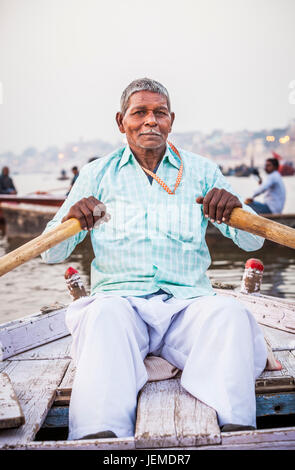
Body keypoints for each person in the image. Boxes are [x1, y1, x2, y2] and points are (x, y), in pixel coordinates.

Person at [41, 78, 267, 440]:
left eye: (159, 113)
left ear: (171, 120)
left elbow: (254, 241)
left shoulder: (202, 172)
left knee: (231, 314)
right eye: (139, 112)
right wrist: (72, 219)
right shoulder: (96, 175)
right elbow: (51, 253)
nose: (150, 121)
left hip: (187, 305)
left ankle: (238, 433)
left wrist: (237, 207)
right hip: (121, 304)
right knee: (102, 315)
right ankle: (98, 436)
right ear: (121, 121)